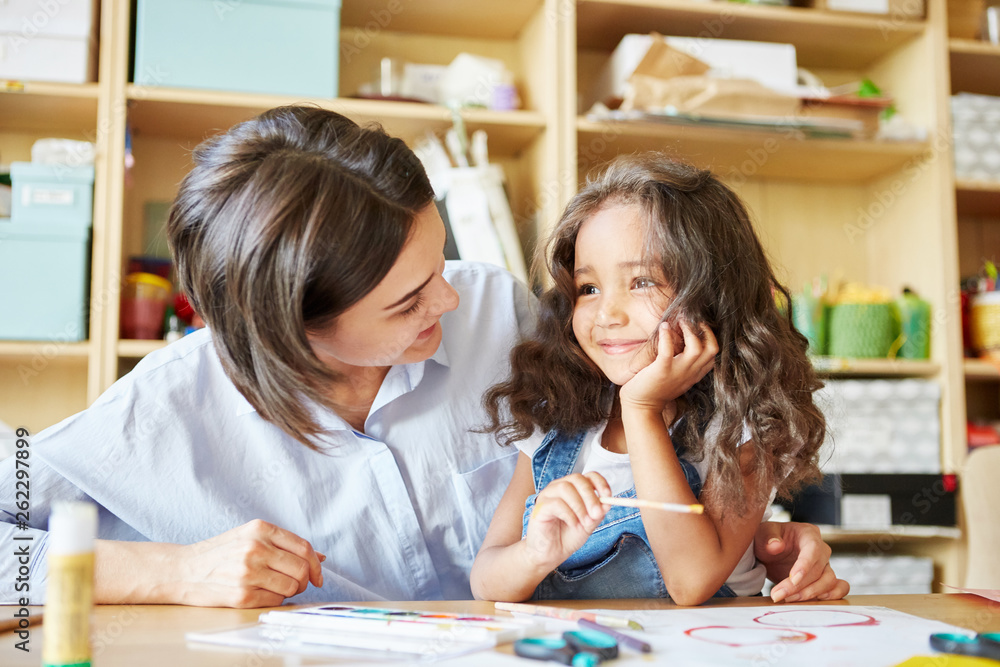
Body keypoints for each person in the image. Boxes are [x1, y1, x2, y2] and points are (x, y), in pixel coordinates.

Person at [0, 107, 846, 608]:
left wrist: (754, 533)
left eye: (435, 264)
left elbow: (657, 444)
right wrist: (168, 571)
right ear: (289, 332)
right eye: (407, 302)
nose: (450, 299)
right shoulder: (163, 411)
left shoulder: (492, 312)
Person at [471, 153, 839, 605]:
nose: (606, 314)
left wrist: (641, 411)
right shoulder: (561, 419)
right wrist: (534, 554)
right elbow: (485, 578)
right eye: (588, 288)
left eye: (642, 281)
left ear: (714, 294)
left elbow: (691, 581)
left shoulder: (744, 429)